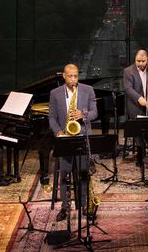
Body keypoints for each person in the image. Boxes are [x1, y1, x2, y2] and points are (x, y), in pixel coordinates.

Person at [48, 64, 98, 222]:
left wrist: (82, 115)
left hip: (82, 136)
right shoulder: (55, 93)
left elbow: (94, 113)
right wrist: (58, 132)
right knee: (65, 174)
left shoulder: (88, 90)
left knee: (84, 173)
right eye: (70, 76)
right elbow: (52, 118)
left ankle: (84, 204)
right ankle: (64, 207)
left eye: (76, 76)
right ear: (64, 76)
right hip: (65, 138)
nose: (73, 79)